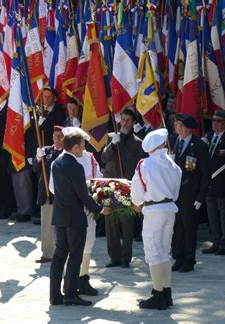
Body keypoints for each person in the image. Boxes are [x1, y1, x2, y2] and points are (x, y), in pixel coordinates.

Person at [49, 131, 110, 306]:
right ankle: (70, 294)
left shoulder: (57, 163)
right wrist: (99, 210)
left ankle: (54, 296)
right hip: (75, 217)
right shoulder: (75, 166)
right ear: (74, 147)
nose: (83, 150)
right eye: (82, 146)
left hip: (60, 216)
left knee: (59, 255)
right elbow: (82, 194)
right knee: (75, 256)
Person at [131, 128, 182, 310]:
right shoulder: (174, 166)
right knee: (164, 251)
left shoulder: (145, 164)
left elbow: (136, 194)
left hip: (153, 210)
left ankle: (158, 293)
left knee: (153, 252)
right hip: (169, 209)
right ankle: (166, 293)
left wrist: (138, 202)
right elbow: (176, 192)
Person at [102, 108, 145, 268]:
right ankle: (114, 257)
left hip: (127, 185)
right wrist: (113, 145)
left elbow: (140, 166)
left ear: (133, 123)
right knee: (111, 222)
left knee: (126, 224)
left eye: (128, 120)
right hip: (111, 184)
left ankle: (126, 258)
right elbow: (104, 158)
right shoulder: (112, 138)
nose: (125, 123)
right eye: (123, 120)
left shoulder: (138, 143)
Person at [171, 114, 210, 272]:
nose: (177, 127)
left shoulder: (199, 145)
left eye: (179, 125)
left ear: (187, 127)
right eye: (176, 124)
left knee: (188, 228)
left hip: (191, 194)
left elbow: (206, 174)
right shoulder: (176, 142)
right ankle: (178, 257)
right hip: (176, 193)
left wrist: (200, 197)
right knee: (177, 228)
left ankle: (189, 259)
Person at [202, 109, 225, 255]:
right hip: (210, 185)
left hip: (224, 184)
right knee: (213, 217)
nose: (215, 124)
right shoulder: (209, 137)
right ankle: (216, 242)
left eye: (218, 121)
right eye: (213, 121)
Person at [34, 126, 65, 263]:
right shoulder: (47, 151)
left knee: (61, 225)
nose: (57, 139)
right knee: (46, 224)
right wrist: (38, 158)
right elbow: (36, 169)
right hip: (46, 193)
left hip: (60, 193)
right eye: (55, 136)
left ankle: (62, 251)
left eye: (60, 136)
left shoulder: (66, 153)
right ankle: (47, 253)